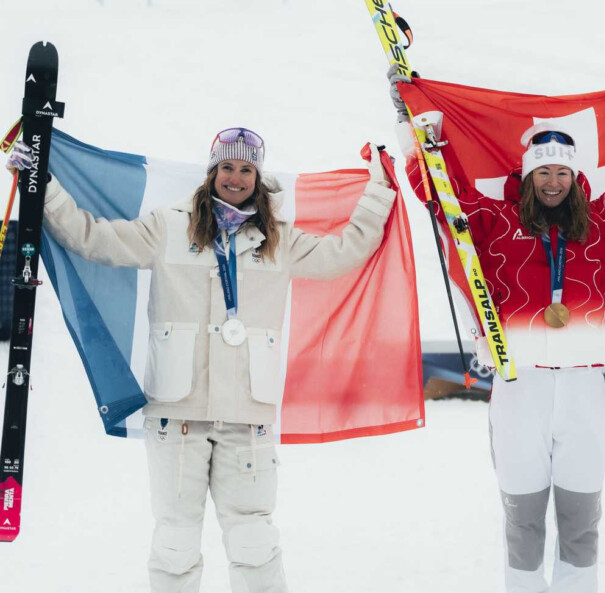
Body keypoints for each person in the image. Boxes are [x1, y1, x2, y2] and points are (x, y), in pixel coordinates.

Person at [8, 127, 396, 593]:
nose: (236, 177)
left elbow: (344, 252)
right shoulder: (167, 227)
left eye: (246, 169)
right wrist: (41, 184)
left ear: (257, 176)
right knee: (175, 544)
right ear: (212, 171)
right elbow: (95, 239)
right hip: (177, 416)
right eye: (228, 167)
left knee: (255, 544)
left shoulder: (280, 241)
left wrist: (380, 188)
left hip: (246, 416)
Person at [386, 65, 605, 592]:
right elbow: (441, 193)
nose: (553, 182)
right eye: (543, 173)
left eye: (561, 173)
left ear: (574, 177)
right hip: (520, 387)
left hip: (583, 386)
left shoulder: (602, 220)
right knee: (524, 521)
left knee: (582, 522)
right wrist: (410, 122)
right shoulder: (493, 223)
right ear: (529, 177)